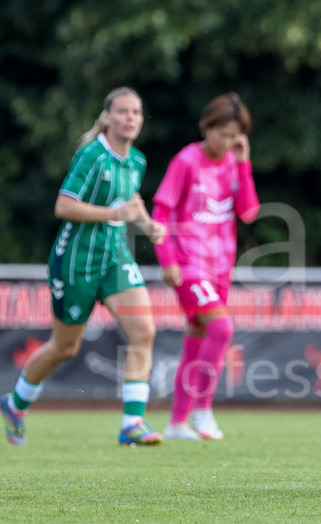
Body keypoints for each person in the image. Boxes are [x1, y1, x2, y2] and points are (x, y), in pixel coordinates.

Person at [1, 87, 167, 446]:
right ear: (107, 117)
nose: (130, 118)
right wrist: (113, 213)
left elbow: (131, 197)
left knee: (144, 331)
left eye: (136, 112)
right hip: (76, 262)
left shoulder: (136, 161)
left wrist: (148, 224)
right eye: (122, 111)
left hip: (115, 259)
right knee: (65, 347)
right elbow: (63, 206)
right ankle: (15, 404)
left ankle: (132, 424)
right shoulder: (92, 155)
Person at [152, 92, 260, 441]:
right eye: (222, 133)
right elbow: (161, 211)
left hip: (221, 268)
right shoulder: (186, 161)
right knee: (222, 330)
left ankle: (176, 423)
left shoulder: (233, 163)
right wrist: (167, 260)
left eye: (234, 136)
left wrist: (243, 164)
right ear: (206, 127)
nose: (227, 141)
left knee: (196, 341)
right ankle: (203, 410)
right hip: (189, 265)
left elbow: (248, 212)